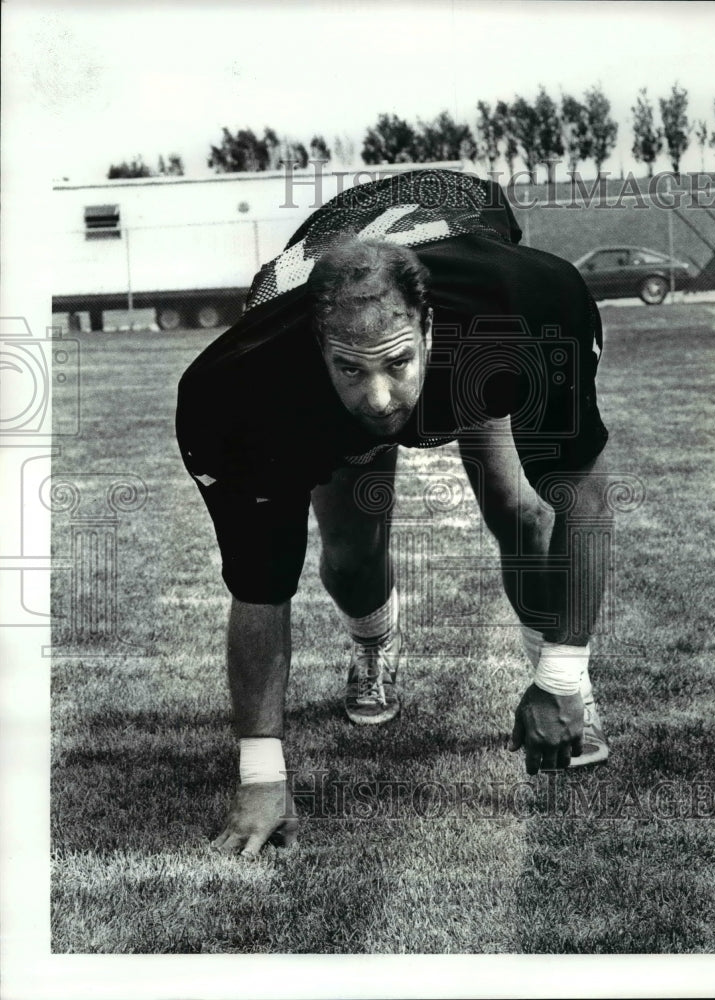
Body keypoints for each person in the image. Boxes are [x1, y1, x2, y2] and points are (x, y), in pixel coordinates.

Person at [176, 169, 612, 858]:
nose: (380, 398)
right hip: (329, 312)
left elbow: (582, 495)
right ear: (316, 346)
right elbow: (259, 588)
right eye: (351, 368)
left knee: (521, 512)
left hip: (462, 293)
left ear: (428, 323)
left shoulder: (523, 304)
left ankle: (567, 693)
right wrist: (260, 778)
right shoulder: (245, 386)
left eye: (396, 364)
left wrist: (559, 674)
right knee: (348, 557)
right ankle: (375, 645)